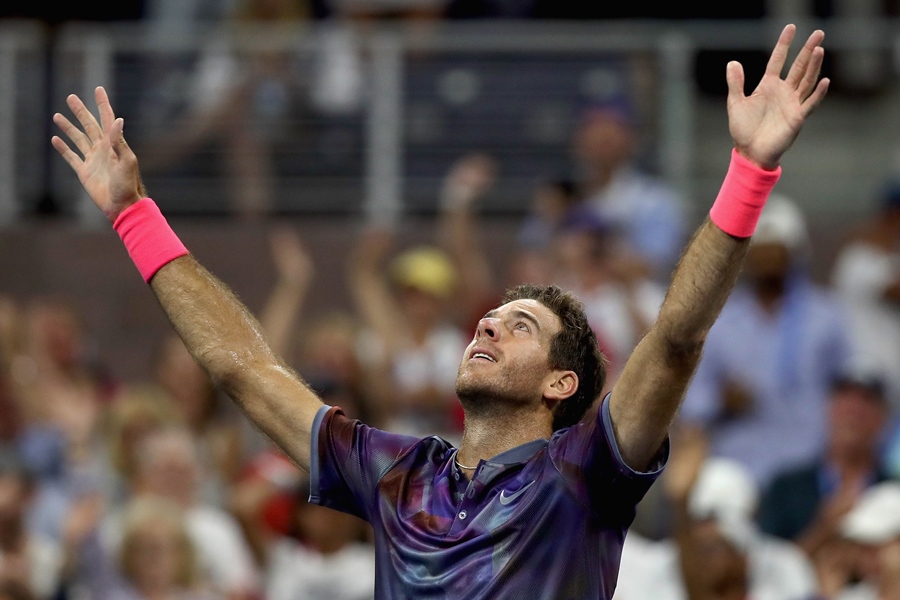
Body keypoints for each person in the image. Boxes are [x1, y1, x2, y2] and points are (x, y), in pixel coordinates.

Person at [51, 23, 829, 599]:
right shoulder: (397, 473)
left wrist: (749, 171)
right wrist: (134, 213)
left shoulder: (583, 472)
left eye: (521, 324)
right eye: (492, 315)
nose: (487, 323)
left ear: (563, 385)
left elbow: (675, 341)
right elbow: (243, 369)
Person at [678, 194, 853, 487]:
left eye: (777, 250)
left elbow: (850, 388)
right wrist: (721, 400)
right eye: (761, 250)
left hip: (810, 465)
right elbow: (692, 401)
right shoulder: (721, 322)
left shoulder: (826, 317)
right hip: (739, 466)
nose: (768, 259)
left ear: (795, 252)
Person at [757, 363, 893, 561]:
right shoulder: (786, 488)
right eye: (845, 397)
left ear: (883, 417)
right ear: (829, 408)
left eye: (867, 400)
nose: (854, 410)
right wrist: (824, 529)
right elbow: (766, 573)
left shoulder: (893, 489)